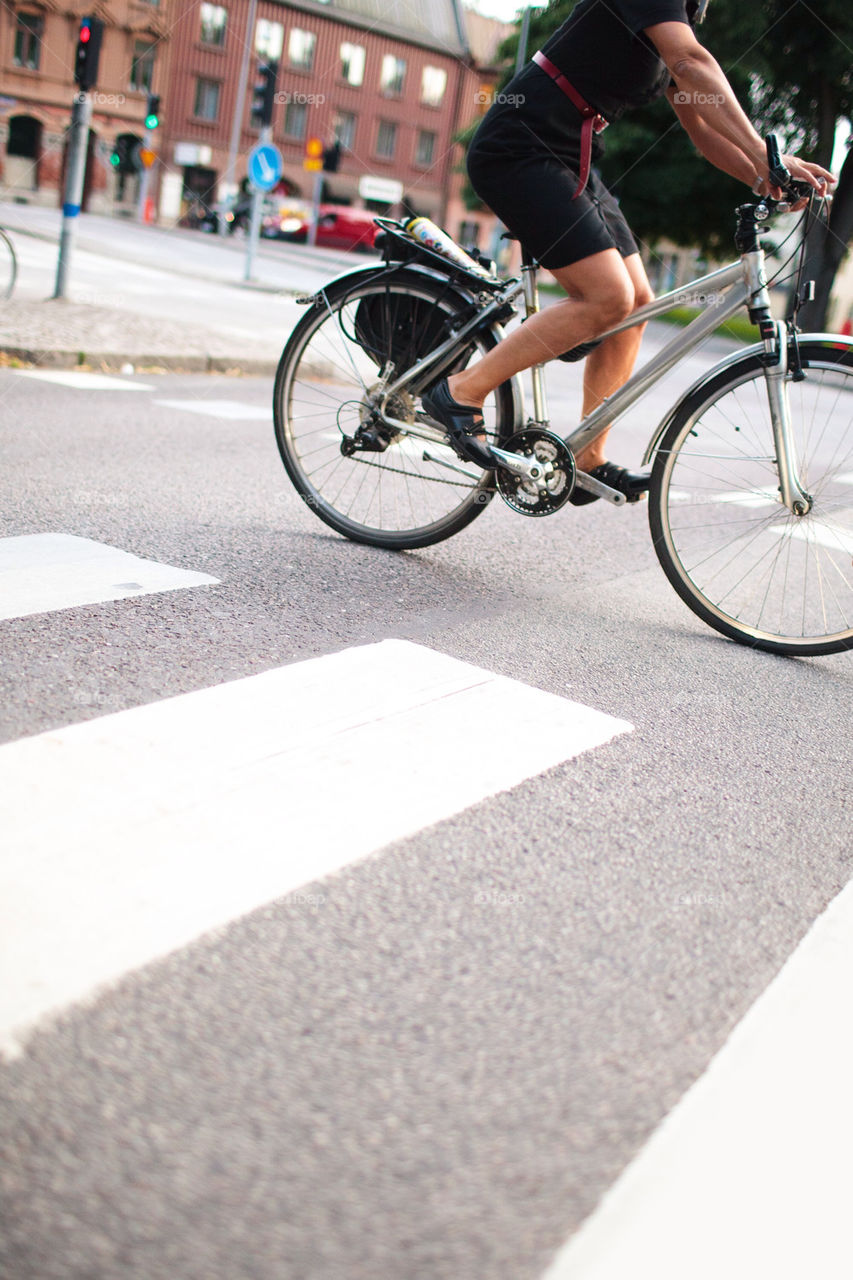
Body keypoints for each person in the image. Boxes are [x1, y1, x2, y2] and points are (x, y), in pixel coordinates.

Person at [422, 0, 834, 502]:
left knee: (637, 302)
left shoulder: (678, 17)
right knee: (606, 297)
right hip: (521, 147)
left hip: (570, 152)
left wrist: (761, 173)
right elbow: (691, 62)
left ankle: (587, 458)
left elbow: (700, 125)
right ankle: (461, 391)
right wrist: (765, 152)